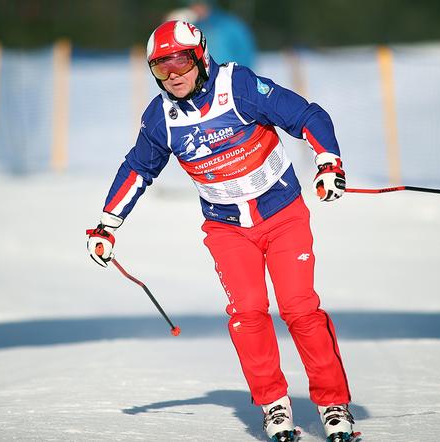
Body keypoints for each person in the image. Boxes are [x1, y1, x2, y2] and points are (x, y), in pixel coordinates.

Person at [86, 20, 357, 442]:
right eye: (161, 68)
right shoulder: (162, 117)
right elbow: (138, 167)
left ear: (201, 57)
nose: (173, 76)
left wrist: (328, 163)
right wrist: (106, 224)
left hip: (282, 214)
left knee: (298, 308)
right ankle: (274, 406)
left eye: (180, 63)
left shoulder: (239, 86)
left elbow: (306, 115)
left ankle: (333, 404)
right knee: (248, 312)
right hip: (227, 227)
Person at [166, 0, 256, 68]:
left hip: (230, 80)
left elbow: (246, 55)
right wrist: (171, 28)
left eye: (199, 4)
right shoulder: (187, 28)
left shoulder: (231, 25)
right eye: (192, 5)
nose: (196, 9)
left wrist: (241, 79)